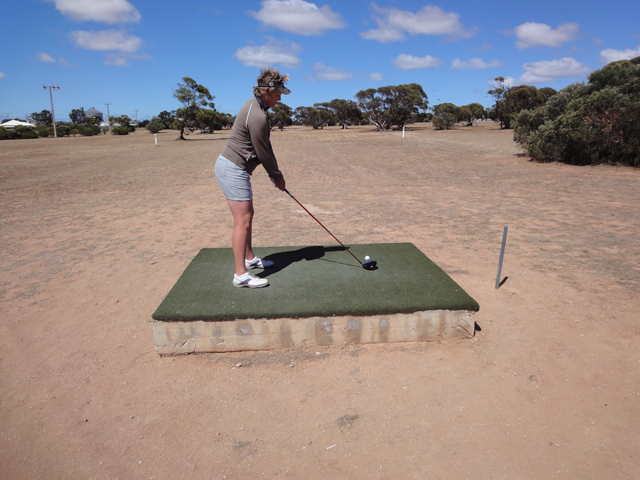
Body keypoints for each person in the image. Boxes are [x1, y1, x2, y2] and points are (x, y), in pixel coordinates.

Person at [215, 68, 290, 288]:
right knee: (243, 219)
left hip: (235, 168)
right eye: (278, 94)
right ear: (267, 91)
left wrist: (277, 175)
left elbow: (266, 147)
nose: (279, 98)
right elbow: (263, 153)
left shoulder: (257, 106)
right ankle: (241, 275)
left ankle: (249, 259)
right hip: (232, 169)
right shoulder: (257, 115)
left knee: (248, 215)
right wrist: (277, 177)